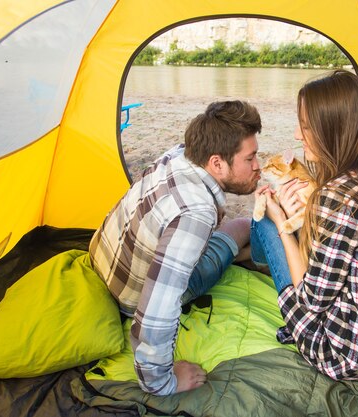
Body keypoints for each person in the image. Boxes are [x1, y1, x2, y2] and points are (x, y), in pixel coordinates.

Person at [250, 70, 358, 380]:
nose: (297, 136)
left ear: (332, 129)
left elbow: (311, 301)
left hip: (345, 353)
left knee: (262, 220)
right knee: (288, 219)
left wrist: (282, 225)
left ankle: (253, 256)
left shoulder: (337, 196)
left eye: (304, 126)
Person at [89, 100, 262, 395]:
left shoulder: (177, 155)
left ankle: (232, 254)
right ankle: (238, 255)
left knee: (219, 238)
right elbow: (158, 308)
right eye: (251, 158)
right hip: (129, 296)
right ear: (217, 163)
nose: (259, 166)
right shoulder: (195, 213)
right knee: (245, 225)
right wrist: (163, 383)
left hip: (105, 264)